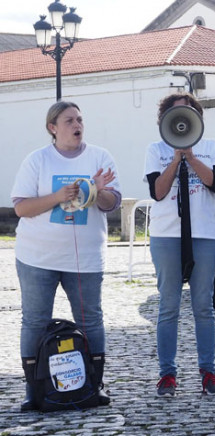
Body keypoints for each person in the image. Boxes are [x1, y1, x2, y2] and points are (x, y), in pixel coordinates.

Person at [12, 101, 120, 410]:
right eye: (69, 120)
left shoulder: (100, 156)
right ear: (53, 128)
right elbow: (21, 207)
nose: (77, 125)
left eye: (80, 119)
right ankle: (35, 391)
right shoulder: (37, 160)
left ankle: (93, 386)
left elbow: (112, 203)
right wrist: (59, 196)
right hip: (37, 257)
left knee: (91, 321)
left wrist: (96, 191)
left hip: (84, 259)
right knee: (34, 322)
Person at [144, 94, 215, 397]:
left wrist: (191, 156)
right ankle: (167, 374)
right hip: (167, 235)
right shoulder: (155, 149)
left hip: (204, 233)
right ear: (166, 117)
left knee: (203, 306)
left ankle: (208, 372)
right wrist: (176, 157)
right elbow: (158, 191)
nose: (184, 115)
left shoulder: (211, 146)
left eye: (189, 111)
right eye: (177, 111)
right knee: (168, 306)